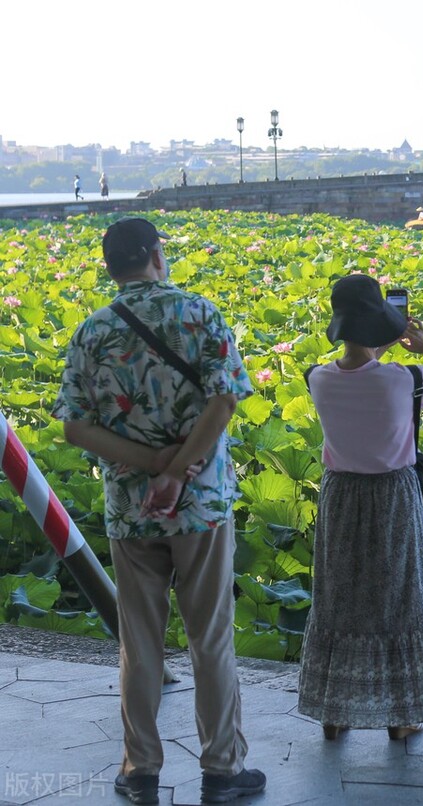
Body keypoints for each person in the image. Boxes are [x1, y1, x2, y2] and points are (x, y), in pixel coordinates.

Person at [52, 217, 265, 805]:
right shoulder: (200, 313)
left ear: (110, 265)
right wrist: (177, 470)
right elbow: (225, 401)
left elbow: (74, 427)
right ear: (156, 254)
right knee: (210, 639)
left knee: (139, 642)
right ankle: (221, 770)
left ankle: (140, 768)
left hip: (131, 508)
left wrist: (150, 466)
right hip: (201, 507)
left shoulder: (92, 331)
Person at [298, 274, 423, 742]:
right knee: (400, 600)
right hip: (393, 497)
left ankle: (334, 714)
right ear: (380, 323)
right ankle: (401, 718)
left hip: (340, 497)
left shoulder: (317, 378)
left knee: (338, 599)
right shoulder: (406, 378)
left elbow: (356, 369)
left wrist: (381, 344)